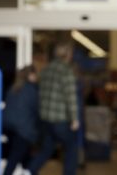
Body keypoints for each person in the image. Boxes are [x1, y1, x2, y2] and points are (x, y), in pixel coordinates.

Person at [27, 43, 80, 175]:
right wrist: (74, 119)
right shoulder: (66, 71)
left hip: (45, 119)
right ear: (67, 54)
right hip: (60, 120)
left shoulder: (46, 70)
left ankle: (30, 170)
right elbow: (71, 97)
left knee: (47, 149)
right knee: (72, 148)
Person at [2, 65, 39, 175]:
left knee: (25, 158)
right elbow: (37, 110)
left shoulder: (13, 88)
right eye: (35, 74)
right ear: (31, 75)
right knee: (14, 160)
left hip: (10, 128)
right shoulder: (31, 90)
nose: (37, 77)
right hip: (23, 130)